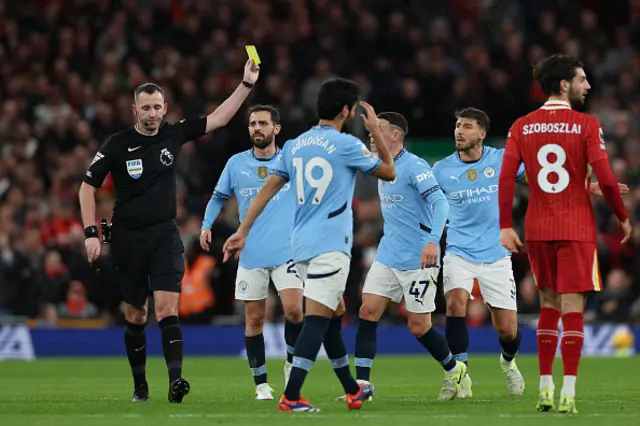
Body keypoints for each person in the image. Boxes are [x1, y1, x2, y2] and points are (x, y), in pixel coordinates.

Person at [79, 60, 260, 403]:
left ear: (165, 109)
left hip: (164, 236)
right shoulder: (117, 144)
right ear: (135, 109)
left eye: (157, 107)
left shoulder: (173, 133)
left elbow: (219, 118)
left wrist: (246, 85)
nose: (151, 114)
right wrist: (91, 232)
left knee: (166, 310)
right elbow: (87, 188)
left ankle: (176, 381)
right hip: (127, 239)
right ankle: (140, 386)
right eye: (145, 108)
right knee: (137, 314)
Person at [222, 78, 396, 412]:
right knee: (316, 318)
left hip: (299, 247)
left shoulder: (295, 145)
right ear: (346, 110)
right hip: (330, 246)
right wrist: (374, 130)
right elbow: (388, 171)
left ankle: (351, 389)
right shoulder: (347, 144)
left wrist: (243, 230)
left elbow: (267, 189)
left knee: (334, 314)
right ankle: (292, 395)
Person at [498, 54, 631, 414]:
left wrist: (506, 225)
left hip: (538, 229)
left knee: (547, 307)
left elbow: (508, 176)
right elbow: (604, 175)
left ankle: (544, 388)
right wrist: (621, 215)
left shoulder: (522, 125)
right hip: (576, 228)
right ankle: (568, 393)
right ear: (563, 85)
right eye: (582, 79)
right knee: (573, 308)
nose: (588, 86)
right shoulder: (587, 124)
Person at [343, 112, 466, 402]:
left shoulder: (415, 166)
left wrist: (433, 242)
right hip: (388, 254)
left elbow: (440, 202)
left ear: (396, 135)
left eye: (379, 130)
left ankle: (454, 369)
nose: (372, 135)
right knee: (367, 310)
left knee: (418, 326)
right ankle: (362, 386)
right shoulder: (381, 167)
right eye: (371, 131)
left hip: (418, 259)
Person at [199, 104, 303, 401]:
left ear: (276, 129)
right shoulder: (236, 164)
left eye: (262, 123)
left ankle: (291, 365)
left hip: (288, 251)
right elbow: (219, 196)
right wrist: (207, 225)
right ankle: (261, 385)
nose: (256, 128)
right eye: (252, 124)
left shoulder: (291, 161)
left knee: (295, 311)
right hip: (252, 252)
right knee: (254, 319)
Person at [433, 108, 526, 398]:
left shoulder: (502, 159)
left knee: (508, 331)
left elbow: (541, 177)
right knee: (455, 303)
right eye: (458, 125)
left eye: (467, 127)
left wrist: (585, 187)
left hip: (496, 254)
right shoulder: (441, 170)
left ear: (482, 134)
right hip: (459, 251)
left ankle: (508, 363)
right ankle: (459, 375)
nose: (459, 131)